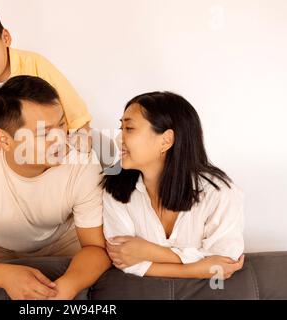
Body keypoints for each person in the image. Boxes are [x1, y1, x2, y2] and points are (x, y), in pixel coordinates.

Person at [0, 76, 111, 300]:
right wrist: (4, 276)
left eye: (61, 124)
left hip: (66, 246)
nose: (60, 139)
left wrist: (67, 287)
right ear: (5, 140)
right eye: (44, 133)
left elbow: (96, 249)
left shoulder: (82, 162)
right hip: (0, 253)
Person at [102, 91, 245, 279]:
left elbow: (225, 260)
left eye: (129, 129)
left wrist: (148, 252)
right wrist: (199, 268)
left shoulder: (219, 193)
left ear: (166, 140)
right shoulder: (115, 188)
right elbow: (121, 258)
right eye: (121, 128)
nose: (118, 139)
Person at [0, 5, 92, 160]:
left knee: (92, 143)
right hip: (9, 137)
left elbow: (67, 96)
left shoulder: (34, 62)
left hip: (42, 131)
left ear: (5, 38)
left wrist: (80, 127)